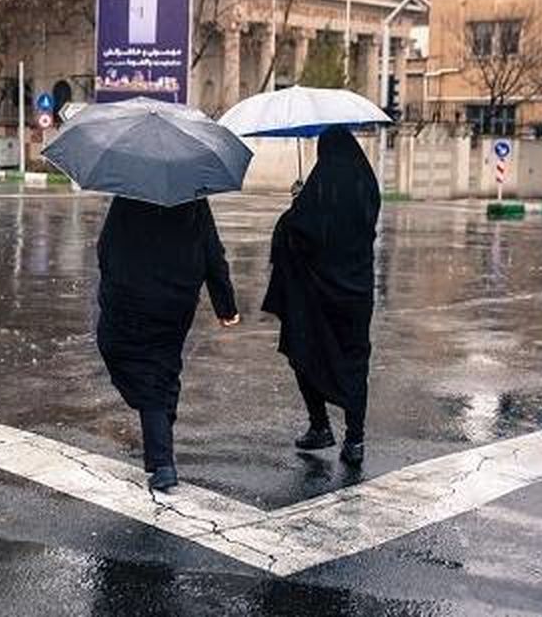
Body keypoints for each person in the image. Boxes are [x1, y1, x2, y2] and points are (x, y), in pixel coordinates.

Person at [96, 197, 240, 491]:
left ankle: (163, 461)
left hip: (133, 298)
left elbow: (106, 247)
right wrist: (225, 305)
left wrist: (113, 286)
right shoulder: (193, 197)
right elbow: (213, 252)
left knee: (145, 374)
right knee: (163, 367)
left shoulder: (130, 193)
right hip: (177, 300)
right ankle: (161, 428)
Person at [262, 126, 381, 467]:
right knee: (356, 363)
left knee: (305, 351)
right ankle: (354, 439)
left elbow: (299, 232)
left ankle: (320, 425)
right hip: (357, 293)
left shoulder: (322, 185)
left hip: (318, 296)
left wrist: (298, 203)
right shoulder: (366, 183)